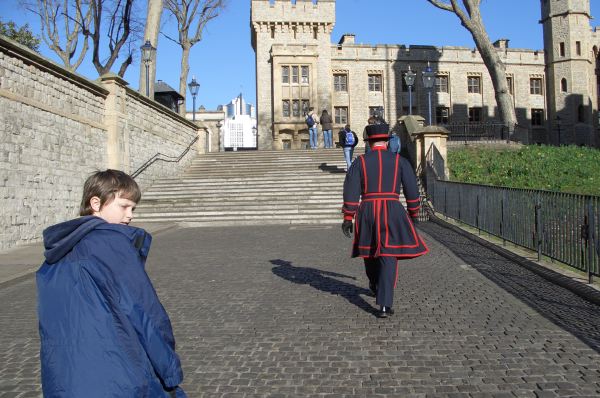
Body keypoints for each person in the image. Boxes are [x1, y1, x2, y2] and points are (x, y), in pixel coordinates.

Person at [36, 169, 187, 397]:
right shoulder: (111, 245)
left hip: (66, 377)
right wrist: (170, 372)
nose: (130, 215)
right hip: (120, 375)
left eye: (133, 209)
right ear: (96, 203)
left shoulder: (55, 256)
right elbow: (145, 314)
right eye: (124, 206)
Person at [341, 123, 429, 318]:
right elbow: (412, 190)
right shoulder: (400, 161)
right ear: (387, 141)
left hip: (368, 211)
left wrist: (348, 216)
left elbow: (351, 190)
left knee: (369, 252)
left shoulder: (360, 162)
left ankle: (374, 283)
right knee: (388, 255)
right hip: (392, 209)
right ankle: (384, 304)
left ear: (369, 142)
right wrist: (414, 214)